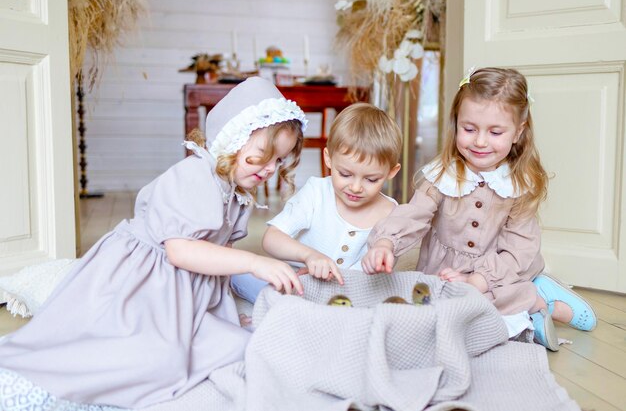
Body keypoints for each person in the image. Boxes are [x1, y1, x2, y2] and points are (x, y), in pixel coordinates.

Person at [0, 77, 307, 409]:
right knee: (154, 359)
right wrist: (254, 262)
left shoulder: (235, 193)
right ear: (232, 140)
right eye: (262, 156)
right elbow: (180, 251)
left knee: (234, 346)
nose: (270, 169)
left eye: (279, 161)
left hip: (183, 286)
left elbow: (217, 262)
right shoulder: (194, 175)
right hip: (143, 279)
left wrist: (229, 312)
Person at [362, 67, 596, 351]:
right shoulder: (442, 175)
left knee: (478, 310)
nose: (480, 141)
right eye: (469, 129)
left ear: (518, 133)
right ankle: (529, 309)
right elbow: (415, 213)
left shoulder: (519, 184)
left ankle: (539, 300)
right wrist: (386, 242)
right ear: (456, 123)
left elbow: (519, 250)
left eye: (495, 131)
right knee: (428, 307)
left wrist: (477, 280)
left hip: (499, 272)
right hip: (445, 271)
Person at [231, 103, 402, 303]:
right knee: (239, 274)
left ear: (391, 172)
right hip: (298, 285)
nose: (356, 187)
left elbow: (385, 266)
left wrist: (378, 261)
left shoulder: (393, 214)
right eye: (345, 174)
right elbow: (271, 238)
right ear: (328, 159)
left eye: (371, 179)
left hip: (352, 297)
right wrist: (309, 256)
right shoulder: (316, 192)